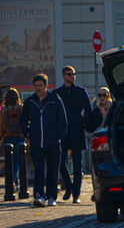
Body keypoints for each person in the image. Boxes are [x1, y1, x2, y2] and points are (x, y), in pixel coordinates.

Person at [19, 74, 68, 207]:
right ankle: (39, 196)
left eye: (40, 85)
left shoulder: (54, 100)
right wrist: (27, 132)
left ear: (46, 86)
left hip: (52, 142)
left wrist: (58, 136)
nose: (38, 88)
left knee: (52, 171)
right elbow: (23, 120)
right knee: (39, 169)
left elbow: (63, 121)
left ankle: (52, 197)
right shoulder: (30, 101)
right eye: (36, 86)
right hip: (36, 142)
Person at [53, 66, 92, 204]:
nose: (72, 76)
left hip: (76, 132)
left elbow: (89, 110)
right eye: (69, 74)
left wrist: (81, 121)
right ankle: (68, 186)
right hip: (63, 133)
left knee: (77, 165)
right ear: (63, 76)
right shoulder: (56, 93)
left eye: (74, 74)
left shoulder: (81, 91)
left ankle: (76, 195)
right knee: (61, 162)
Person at [0, 88, 25, 192]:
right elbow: (25, 122)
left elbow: (1, 126)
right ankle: (14, 183)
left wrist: (1, 137)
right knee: (17, 161)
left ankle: (13, 184)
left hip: (8, 137)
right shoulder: (21, 108)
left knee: (9, 161)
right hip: (20, 137)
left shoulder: (4, 110)